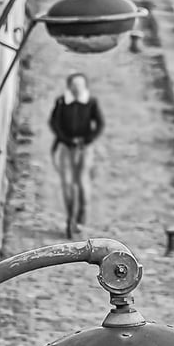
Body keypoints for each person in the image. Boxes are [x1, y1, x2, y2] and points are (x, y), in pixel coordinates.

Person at [49, 73, 105, 238]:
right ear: (70, 87)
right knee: (67, 183)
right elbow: (54, 123)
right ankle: (70, 218)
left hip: (84, 148)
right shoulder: (62, 102)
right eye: (74, 85)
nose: (77, 88)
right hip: (66, 147)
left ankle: (82, 215)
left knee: (81, 181)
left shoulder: (91, 102)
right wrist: (65, 139)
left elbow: (99, 124)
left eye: (80, 85)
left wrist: (88, 139)